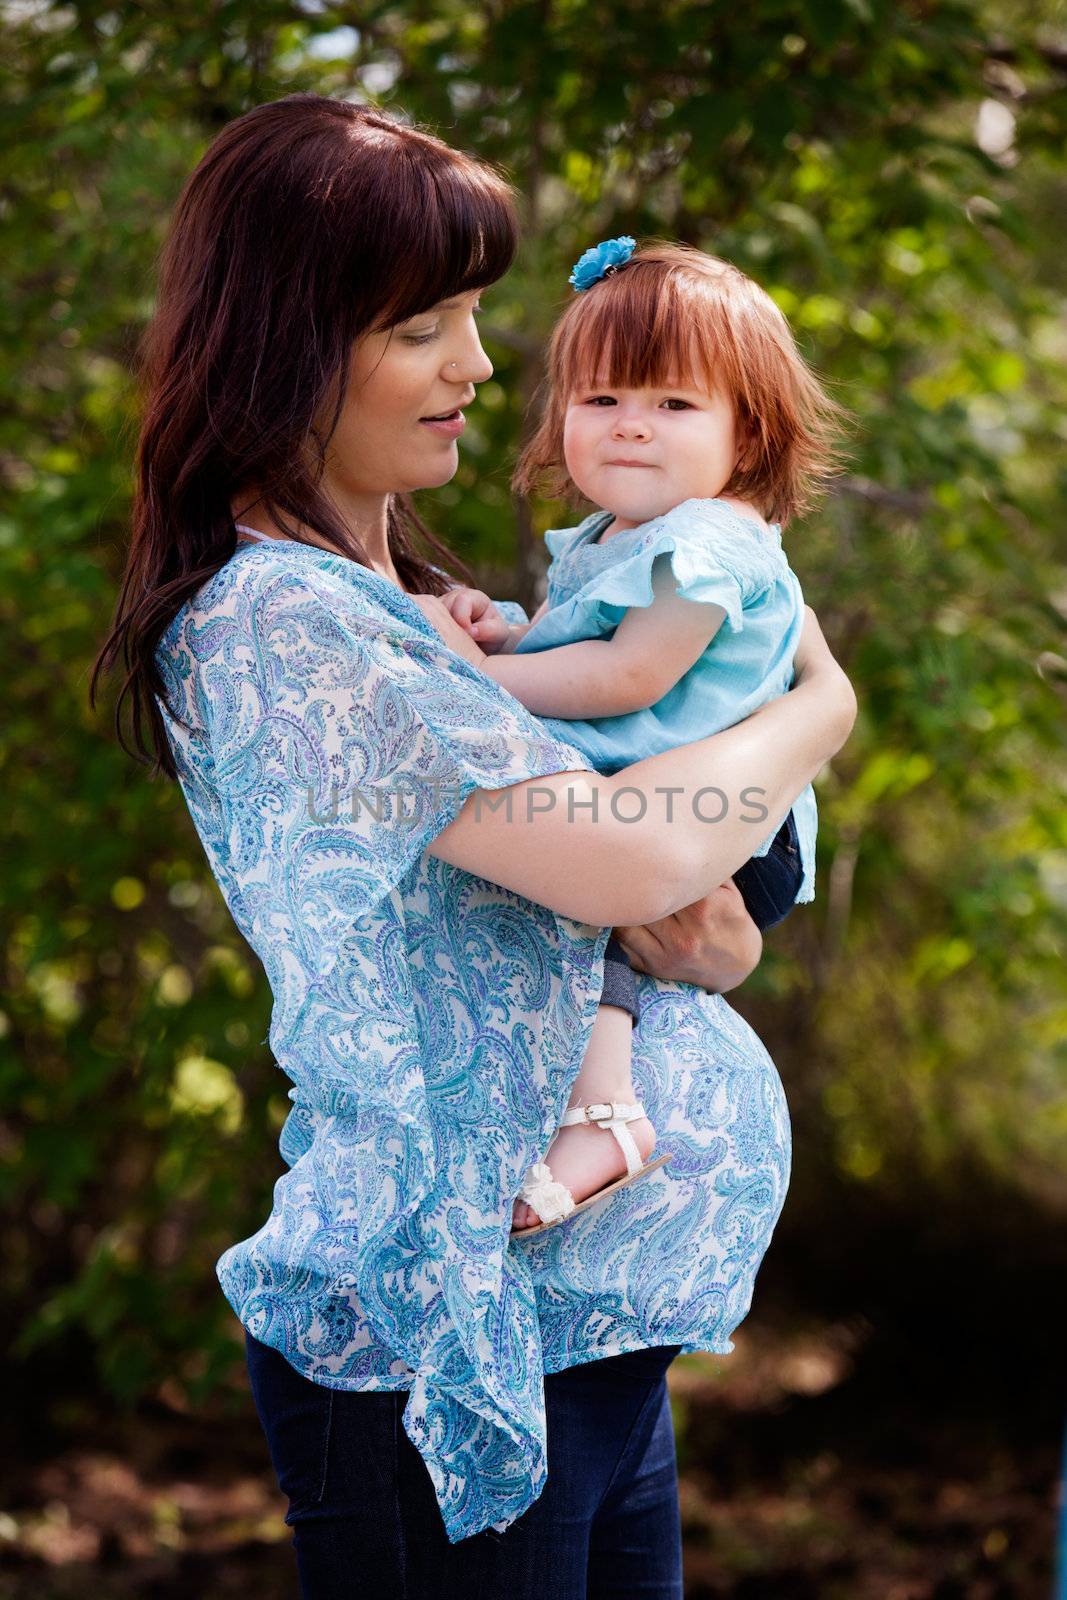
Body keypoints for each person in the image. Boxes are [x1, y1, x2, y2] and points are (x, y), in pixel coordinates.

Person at [90, 92, 857, 1597]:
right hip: (437, 1350)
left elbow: (711, 934)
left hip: (582, 1328)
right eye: (423, 327)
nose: (479, 367)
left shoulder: (418, 602)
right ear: (290, 340)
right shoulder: (283, 622)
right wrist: (818, 707)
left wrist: (677, 878)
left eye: (473, 317)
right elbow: (642, 872)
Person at [436, 236, 849, 1235]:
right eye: (601, 400)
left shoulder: (707, 540)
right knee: (556, 874)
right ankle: (587, 1103)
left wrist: (478, 675)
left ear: (746, 437)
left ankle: (605, 1115)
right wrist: (509, 632)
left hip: (728, 821)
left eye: (671, 404)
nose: (629, 428)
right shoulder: (616, 536)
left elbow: (629, 674)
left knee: (573, 889)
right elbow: (578, 645)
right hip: (659, 785)